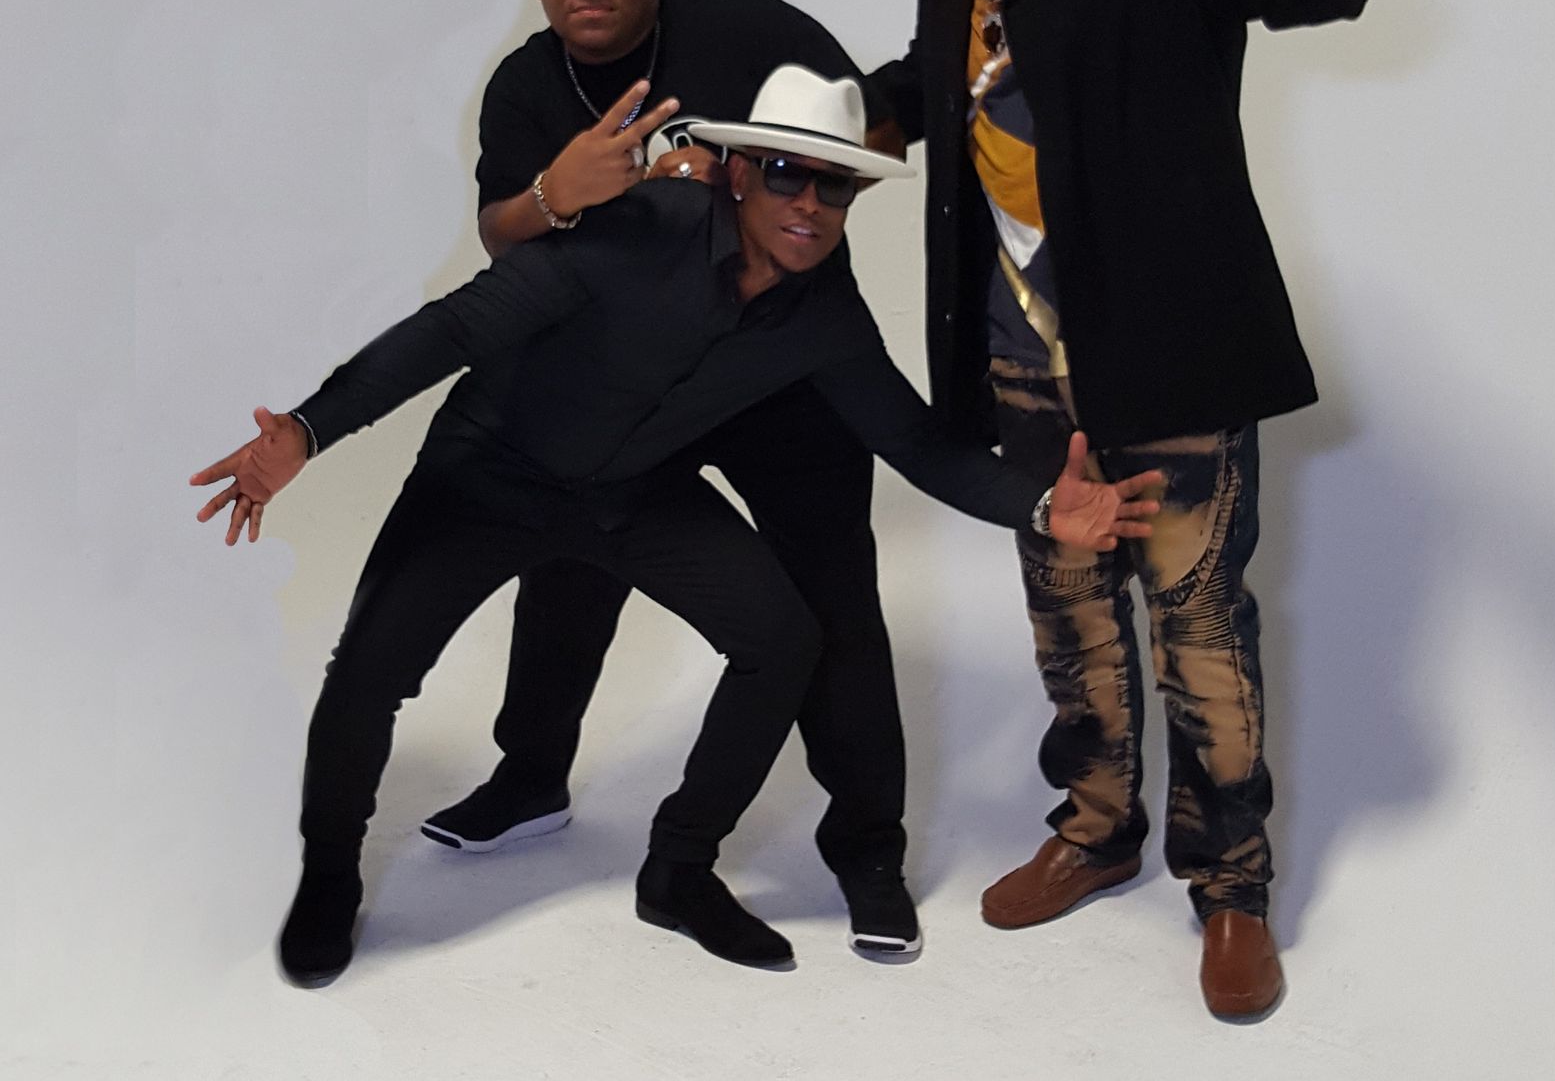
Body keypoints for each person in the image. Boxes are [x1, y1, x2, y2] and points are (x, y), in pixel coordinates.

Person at [190, 64, 1164, 988]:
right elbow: (453, 329)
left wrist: (1043, 506)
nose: (808, 204)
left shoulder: (823, 307)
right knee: (368, 670)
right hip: (490, 473)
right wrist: (308, 431)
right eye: (785, 174)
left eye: (833, 186)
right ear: (738, 173)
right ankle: (329, 872)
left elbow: (911, 440)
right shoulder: (634, 232)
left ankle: (678, 866)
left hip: (630, 492)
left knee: (783, 638)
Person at [868, 0, 1381, 1019]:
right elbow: (925, 93)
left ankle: (1232, 884)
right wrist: (799, 126)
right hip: (1018, 362)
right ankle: (1096, 831)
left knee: (1197, 623)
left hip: (1168, 352)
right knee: (1069, 614)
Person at [430, 0, 926, 957]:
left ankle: (866, 846)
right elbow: (502, 234)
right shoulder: (526, 84)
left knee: (832, 591)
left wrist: (773, 200)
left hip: (781, 365)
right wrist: (564, 191)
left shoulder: (747, 29)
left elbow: (871, 132)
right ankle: (531, 775)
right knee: (568, 556)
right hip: (642, 377)